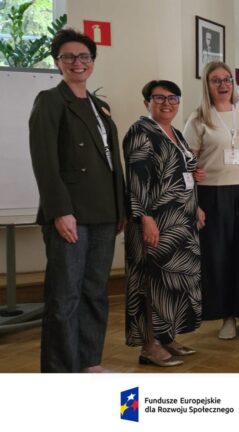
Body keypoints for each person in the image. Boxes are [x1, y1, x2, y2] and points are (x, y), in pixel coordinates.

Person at [29, 29, 126, 373]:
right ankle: (61, 374)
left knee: (94, 293)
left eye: (84, 56)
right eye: (68, 57)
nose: (77, 62)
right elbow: (44, 161)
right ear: (58, 62)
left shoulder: (100, 107)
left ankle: (89, 363)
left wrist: (120, 208)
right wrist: (60, 211)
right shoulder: (50, 100)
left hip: (104, 213)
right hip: (71, 214)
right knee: (64, 297)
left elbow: (112, 162)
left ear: (92, 61)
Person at [183, 61, 239, 340]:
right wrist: (193, 203)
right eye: (216, 80)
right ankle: (227, 318)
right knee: (219, 258)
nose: (223, 85)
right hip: (213, 195)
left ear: (233, 84)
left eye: (227, 79)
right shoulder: (198, 118)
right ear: (207, 85)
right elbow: (187, 164)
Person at [123, 80, 205, 367]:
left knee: (173, 282)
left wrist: (197, 206)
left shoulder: (175, 133)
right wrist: (145, 218)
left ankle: (166, 337)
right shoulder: (140, 132)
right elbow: (137, 180)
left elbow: (182, 173)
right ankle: (150, 346)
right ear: (147, 102)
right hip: (156, 222)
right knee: (152, 282)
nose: (167, 103)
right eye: (159, 98)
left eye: (173, 98)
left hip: (181, 221)